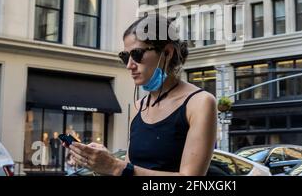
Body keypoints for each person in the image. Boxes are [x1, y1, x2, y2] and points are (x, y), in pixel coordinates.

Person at [67, 15, 217, 176]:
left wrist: (115, 166)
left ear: (167, 52)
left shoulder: (200, 103)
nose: (130, 65)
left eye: (137, 54)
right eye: (125, 57)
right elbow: (131, 169)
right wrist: (103, 161)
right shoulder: (139, 106)